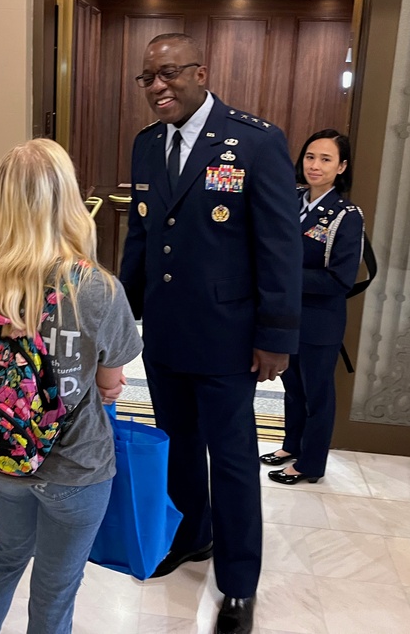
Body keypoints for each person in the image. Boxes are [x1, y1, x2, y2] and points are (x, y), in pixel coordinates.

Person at [119, 33, 302, 634]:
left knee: (230, 458)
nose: (158, 87)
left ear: (201, 72)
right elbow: (142, 239)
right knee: (176, 445)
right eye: (148, 78)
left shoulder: (255, 140)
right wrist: (124, 317)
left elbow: (279, 246)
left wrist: (277, 334)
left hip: (229, 337)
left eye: (169, 73)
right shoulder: (148, 147)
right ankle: (191, 537)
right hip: (168, 333)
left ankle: (240, 584)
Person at [0, 138, 143, 634]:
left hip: (4, 452)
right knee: (55, 590)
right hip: (75, 464)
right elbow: (110, 379)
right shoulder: (97, 287)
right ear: (67, 198)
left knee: (5, 555)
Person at [260, 129, 364, 485]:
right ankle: (292, 445)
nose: (315, 166)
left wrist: (283, 276)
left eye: (325, 159)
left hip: (320, 321)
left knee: (317, 392)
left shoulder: (346, 215)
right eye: (309, 157)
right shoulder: (289, 199)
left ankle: (312, 463)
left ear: (342, 167)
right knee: (292, 386)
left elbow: (340, 280)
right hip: (286, 316)